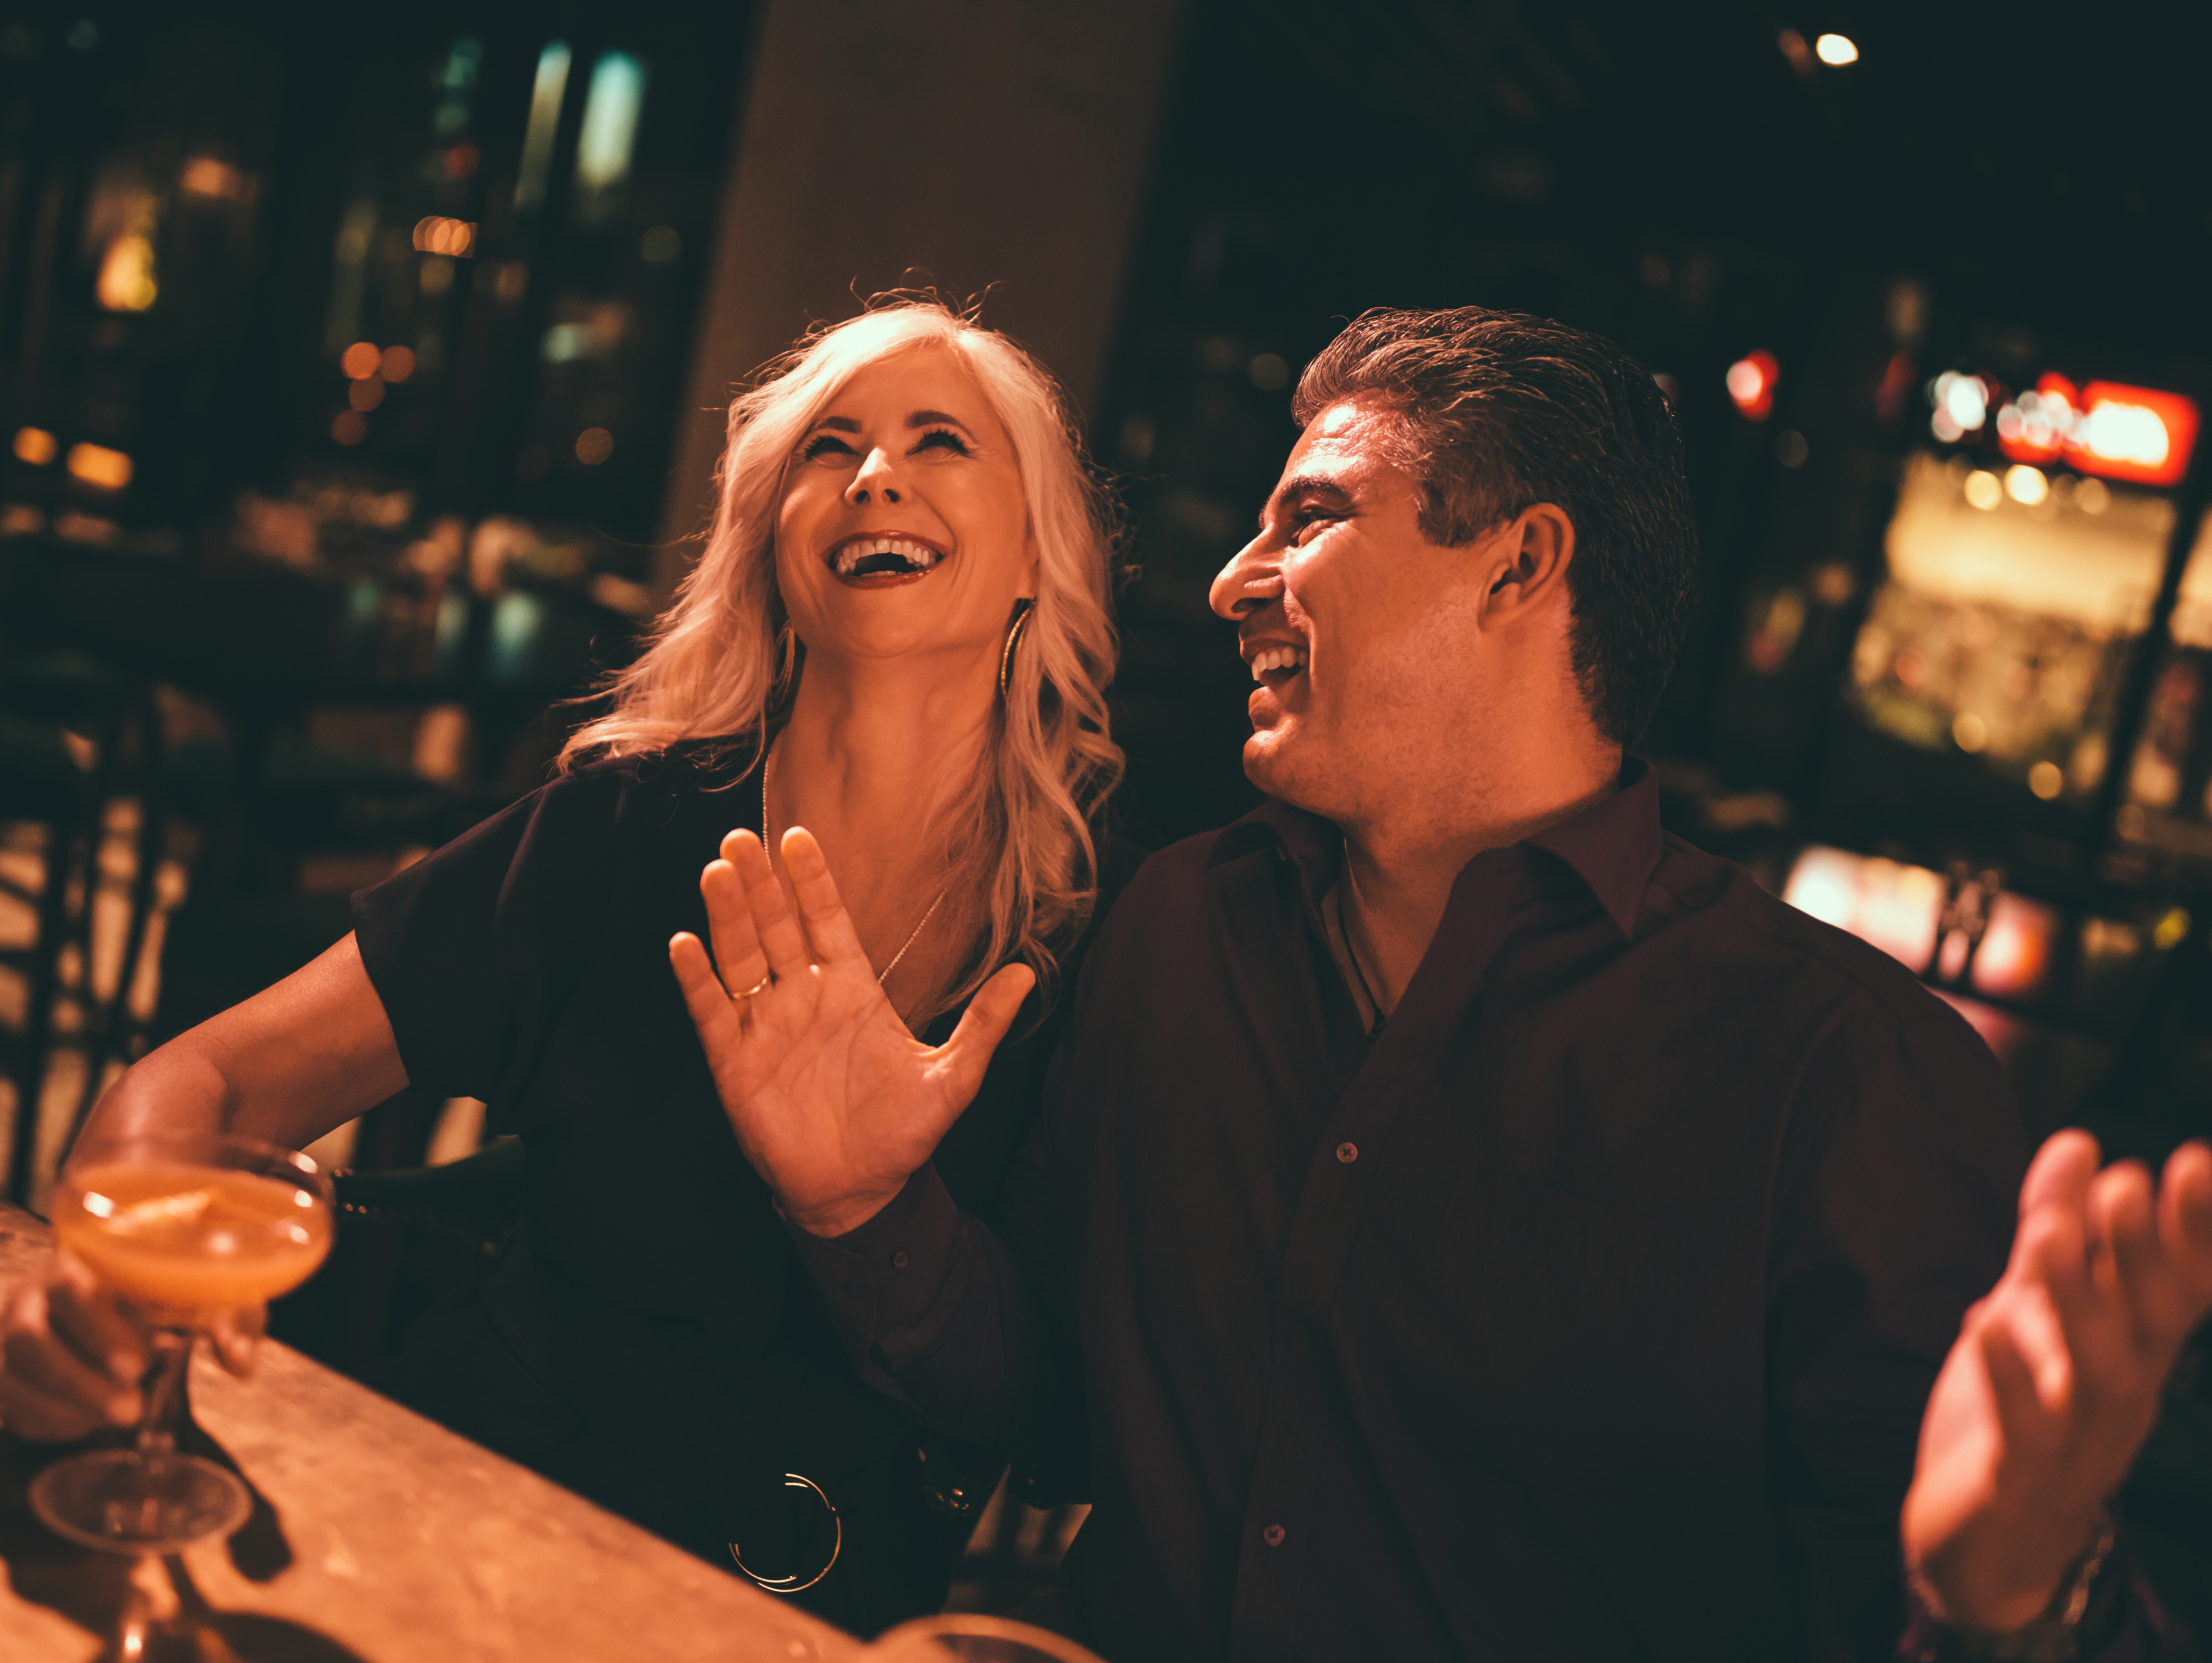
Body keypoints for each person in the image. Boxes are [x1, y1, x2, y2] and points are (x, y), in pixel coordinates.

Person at [674, 307, 2212, 1660]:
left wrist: (2024, 1610)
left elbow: (1929, 1584)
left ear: (1523, 566)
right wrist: (861, 1211)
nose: (1232, 582)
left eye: (1312, 517)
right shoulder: (1175, 930)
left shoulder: (1842, 1072)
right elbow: (1057, 1403)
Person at [0, 296, 1127, 1633]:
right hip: (460, 1479)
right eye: (830, 448)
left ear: (1042, 554)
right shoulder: (627, 826)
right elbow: (217, 1077)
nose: (876, 475)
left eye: (942, 441)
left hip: (776, 1599)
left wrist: (867, 1209)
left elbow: (1055, 1417)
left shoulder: (1093, 927)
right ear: (769, 544)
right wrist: (109, 1275)